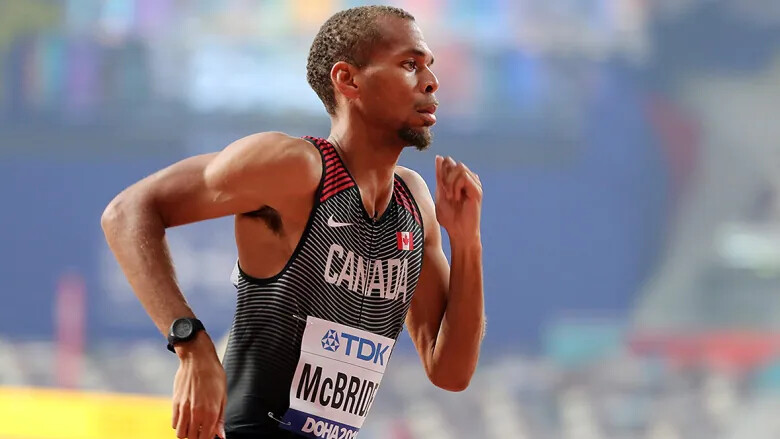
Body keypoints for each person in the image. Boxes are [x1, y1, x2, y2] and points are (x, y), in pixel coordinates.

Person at [101, 5, 484, 439]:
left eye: (428, 66)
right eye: (410, 65)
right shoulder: (296, 168)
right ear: (348, 80)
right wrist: (190, 343)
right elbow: (127, 212)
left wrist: (467, 242)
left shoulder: (413, 201)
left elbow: (451, 372)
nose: (431, 81)